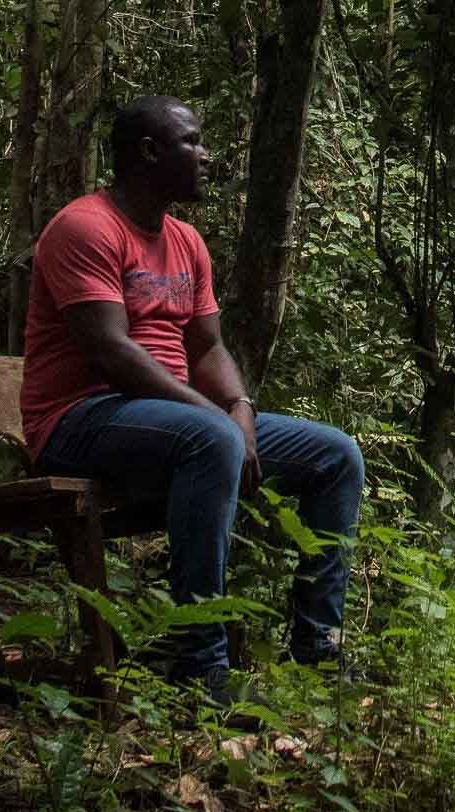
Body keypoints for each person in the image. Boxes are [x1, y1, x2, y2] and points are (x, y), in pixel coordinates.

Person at [18, 93, 364, 692]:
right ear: (149, 153)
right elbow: (112, 352)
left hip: (174, 421)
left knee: (335, 455)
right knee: (211, 440)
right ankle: (201, 664)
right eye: (192, 142)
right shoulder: (85, 227)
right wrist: (217, 421)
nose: (206, 155)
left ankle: (318, 647)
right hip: (79, 421)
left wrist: (240, 408)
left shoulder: (186, 241)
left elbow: (206, 348)